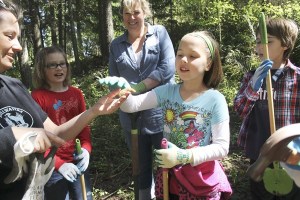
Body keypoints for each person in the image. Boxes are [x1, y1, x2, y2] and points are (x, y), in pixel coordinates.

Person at [0, 1, 128, 199]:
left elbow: (55, 133)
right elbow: (25, 136)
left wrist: (94, 110)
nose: (17, 46)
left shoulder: (15, 88)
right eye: (9, 36)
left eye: (18, 37)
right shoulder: (38, 94)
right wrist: (15, 135)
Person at [101, 30, 232, 199]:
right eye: (180, 54)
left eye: (193, 56)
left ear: (208, 64)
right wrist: (122, 89)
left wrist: (183, 156)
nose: (184, 60)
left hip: (200, 178)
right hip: (170, 176)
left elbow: (222, 147)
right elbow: (132, 106)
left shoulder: (215, 99)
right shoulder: (166, 92)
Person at [108, 0, 175, 199]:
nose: (132, 18)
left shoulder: (160, 33)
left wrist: (139, 87)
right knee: (141, 168)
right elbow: (114, 79)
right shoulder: (116, 45)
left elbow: (167, 68)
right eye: (127, 14)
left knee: (168, 163)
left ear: (144, 12)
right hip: (131, 118)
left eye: (136, 12)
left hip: (163, 115)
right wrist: (119, 91)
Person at [234, 17, 300, 199]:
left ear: (285, 44)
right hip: (259, 152)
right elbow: (240, 110)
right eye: (257, 42)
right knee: (260, 194)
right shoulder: (252, 77)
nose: (260, 47)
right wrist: (253, 87)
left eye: (267, 41)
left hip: (292, 153)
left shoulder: (297, 78)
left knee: (291, 194)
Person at [31, 46, 93, 200]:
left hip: (77, 159)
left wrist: (86, 150)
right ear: (41, 69)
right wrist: (58, 164)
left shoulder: (76, 93)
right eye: (52, 65)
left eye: (62, 63)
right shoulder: (37, 97)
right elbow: (36, 137)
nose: (59, 68)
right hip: (52, 166)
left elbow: (83, 126)